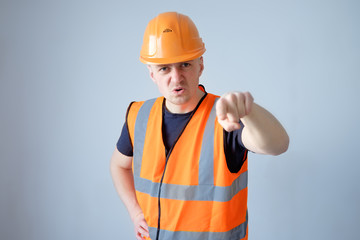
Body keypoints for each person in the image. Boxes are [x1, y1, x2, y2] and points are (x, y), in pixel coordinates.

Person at [110, 12, 289, 240]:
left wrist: (248, 111)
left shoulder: (224, 117)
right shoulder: (139, 116)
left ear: (200, 65)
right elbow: (118, 166)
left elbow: (279, 145)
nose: (176, 77)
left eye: (185, 64)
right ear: (152, 73)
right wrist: (135, 213)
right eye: (164, 68)